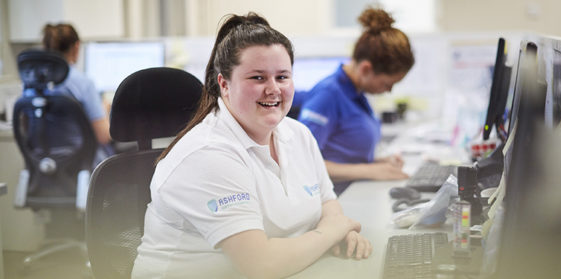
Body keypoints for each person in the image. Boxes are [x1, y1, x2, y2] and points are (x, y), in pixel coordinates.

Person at [132, 13, 372, 279]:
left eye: (282, 77)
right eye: (258, 78)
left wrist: (338, 229)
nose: (273, 89)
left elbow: (328, 202)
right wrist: (333, 232)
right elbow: (262, 265)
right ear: (224, 84)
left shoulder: (298, 134)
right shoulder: (207, 154)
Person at [298, 7, 415, 195]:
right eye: (387, 83)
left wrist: (379, 164)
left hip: (353, 193)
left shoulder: (357, 94)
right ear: (366, 69)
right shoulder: (328, 95)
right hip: (331, 201)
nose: (389, 90)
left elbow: (344, 156)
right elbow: (304, 164)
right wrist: (370, 171)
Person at [35, 23, 113, 163]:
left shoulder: (33, 81)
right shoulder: (83, 83)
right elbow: (103, 136)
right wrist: (105, 111)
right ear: (76, 47)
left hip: (44, 165)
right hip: (82, 169)